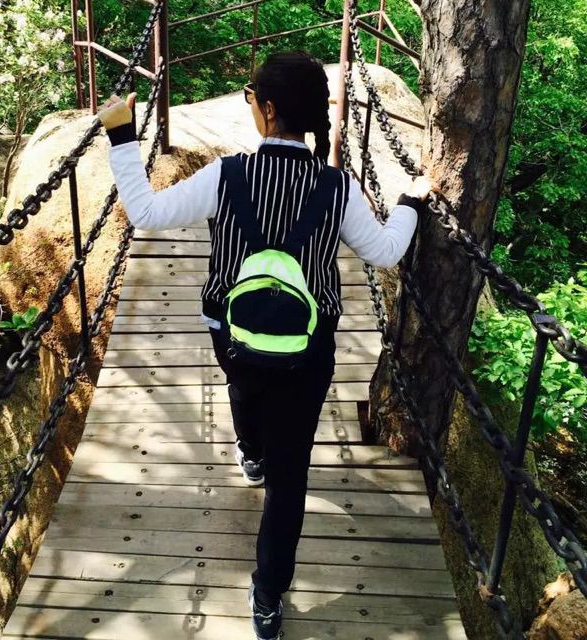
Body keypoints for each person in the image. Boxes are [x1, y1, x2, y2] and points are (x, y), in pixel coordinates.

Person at [99, 50, 436, 640]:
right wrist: (408, 204)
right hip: (308, 349)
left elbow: (146, 211)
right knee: (290, 480)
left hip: (233, 334)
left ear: (271, 109)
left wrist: (122, 135)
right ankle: (267, 599)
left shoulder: (227, 176)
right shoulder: (336, 187)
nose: (250, 104)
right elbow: (385, 251)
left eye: (251, 96)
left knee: (242, 388)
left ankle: (249, 449)